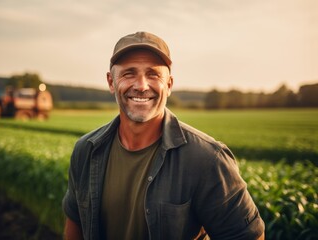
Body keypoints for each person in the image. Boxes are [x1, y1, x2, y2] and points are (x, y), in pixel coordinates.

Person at [62, 31, 265, 240]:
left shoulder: (207, 159)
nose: (141, 86)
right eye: (129, 73)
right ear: (111, 82)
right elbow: (75, 226)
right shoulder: (86, 150)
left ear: (168, 85)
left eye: (153, 74)